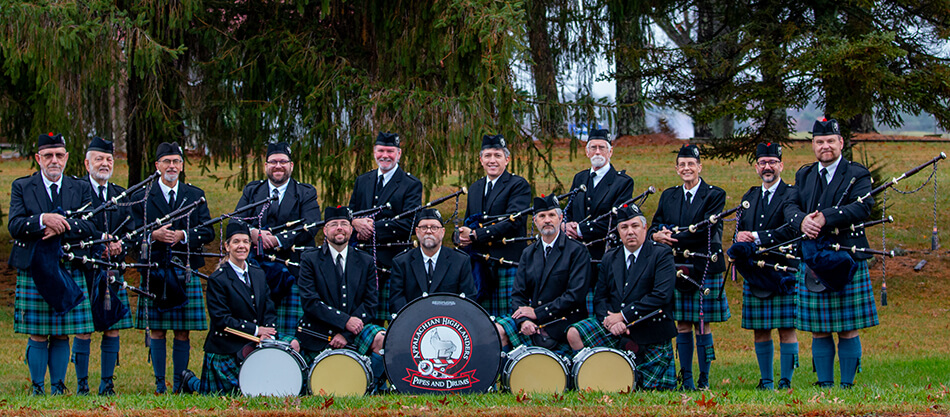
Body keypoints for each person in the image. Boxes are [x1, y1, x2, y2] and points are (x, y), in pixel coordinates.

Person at [783, 119, 877, 388]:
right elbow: (789, 205)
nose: (825, 146)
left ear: (841, 143)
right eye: (820, 142)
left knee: (848, 327)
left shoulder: (857, 174)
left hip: (847, 257)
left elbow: (862, 208)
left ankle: (847, 385)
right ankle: (824, 384)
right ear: (813, 145)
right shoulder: (805, 174)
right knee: (819, 328)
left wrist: (826, 217)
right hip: (814, 259)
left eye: (830, 141)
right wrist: (802, 220)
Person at [10, 132, 99, 395]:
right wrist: (42, 220)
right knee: (38, 332)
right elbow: (14, 225)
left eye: (59, 155)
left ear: (67, 158)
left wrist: (60, 225)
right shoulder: (22, 186)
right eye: (48, 155)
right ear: (38, 158)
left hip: (67, 266)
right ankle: (38, 387)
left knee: (61, 332)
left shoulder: (80, 188)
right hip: (34, 267)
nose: (54, 161)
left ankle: (58, 386)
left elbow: (91, 225)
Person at [131, 142, 214, 394]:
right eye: (166, 161)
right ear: (157, 166)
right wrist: (151, 235)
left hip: (185, 269)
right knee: (156, 331)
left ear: (182, 166)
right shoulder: (142, 197)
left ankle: (179, 384)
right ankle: (159, 384)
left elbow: (208, 230)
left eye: (176, 162)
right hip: (154, 269)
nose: (171, 166)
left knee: (182, 331)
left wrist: (183, 235)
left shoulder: (195, 195)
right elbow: (130, 234)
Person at [180, 220, 299, 395]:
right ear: (227, 247)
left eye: (245, 242)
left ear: (250, 246)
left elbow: (268, 308)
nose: (241, 246)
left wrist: (270, 332)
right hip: (227, 347)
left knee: (293, 343)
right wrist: (257, 330)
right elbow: (221, 320)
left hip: (255, 341)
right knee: (232, 393)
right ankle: (190, 382)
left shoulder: (258, 273)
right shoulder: (218, 279)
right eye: (236, 242)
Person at [567, 205, 677, 390]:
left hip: (650, 328)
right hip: (615, 329)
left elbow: (661, 296)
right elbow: (600, 298)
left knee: (649, 389)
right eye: (624, 227)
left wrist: (624, 316)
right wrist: (610, 321)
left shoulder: (661, 254)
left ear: (645, 227)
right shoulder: (610, 257)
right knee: (574, 333)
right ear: (618, 231)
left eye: (634, 226)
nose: (630, 232)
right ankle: (594, 378)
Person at [650, 144, 729, 390]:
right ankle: (687, 379)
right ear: (676, 169)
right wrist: (655, 236)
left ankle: (704, 379)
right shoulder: (668, 196)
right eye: (682, 164)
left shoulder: (715, 194)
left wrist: (669, 234)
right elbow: (655, 225)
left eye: (691, 164)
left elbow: (704, 230)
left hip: (704, 266)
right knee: (682, 324)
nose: (686, 168)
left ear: (699, 167)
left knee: (702, 325)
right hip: (676, 267)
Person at [296, 206, 387, 391]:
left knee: (382, 339)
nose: (339, 228)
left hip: (355, 330)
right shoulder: (309, 259)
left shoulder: (366, 260)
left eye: (344, 224)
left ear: (351, 230)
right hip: (318, 328)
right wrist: (345, 321)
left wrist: (346, 333)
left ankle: (371, 387)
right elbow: (310, 302)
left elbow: (370, 303)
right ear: (325, 230)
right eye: (334, 224)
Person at [236, 141, 321, 335]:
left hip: (293, 272)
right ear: (265, 165)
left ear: (291, 165)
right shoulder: (253, 191)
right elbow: (236, 222)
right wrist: (253, 233)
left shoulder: (305, 192)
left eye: (283, 161)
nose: (278, 166)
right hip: (256, 270)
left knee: (290, 335)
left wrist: (277, 240)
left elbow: (312, 225)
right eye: (273, 162)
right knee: (256, 332)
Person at [734, 142, 800, 390]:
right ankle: (767, 380)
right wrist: (739, 239)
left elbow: (793, 230)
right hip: (756, 272)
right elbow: (740, 230)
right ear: (756, 167)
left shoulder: (792, 194)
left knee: (786, 329)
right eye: (763, 163)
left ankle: (786, 381)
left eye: (772, 162)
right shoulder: (749, 197)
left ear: (781, 165)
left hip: (784, 271)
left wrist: (757, 237)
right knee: (760, 330)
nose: (767, 167)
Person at [494, 195, 590, 354]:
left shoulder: (577, 251)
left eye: (552, 215)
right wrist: (524, 321)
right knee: (499, 330)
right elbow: (518, 294)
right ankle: (505, 376)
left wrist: (537, 313)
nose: (547, 220)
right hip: (532, 322)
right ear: (535, 221)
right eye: (542, 216)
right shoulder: (528, 253)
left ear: (560, 218)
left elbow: (575, 296)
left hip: (564, 321)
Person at [79, 137, 136, 395]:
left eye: (109, 159)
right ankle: (82, 384)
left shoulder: (120, 194)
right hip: (85, 269)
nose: (104, 163)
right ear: (87, 163)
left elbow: (132, 231)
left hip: (112, 270)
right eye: (99, 159)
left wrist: (121, 246)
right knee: (83, 329)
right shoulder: (78, 191)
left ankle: (107, 383)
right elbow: (74, 228)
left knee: (112, 327)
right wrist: (96, 244)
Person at [349, 132, 423, 323]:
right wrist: (354, 222)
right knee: (362, 318)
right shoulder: (362, 181)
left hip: (393, 261)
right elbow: (351, 212)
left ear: (399, 154)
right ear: (374, 152)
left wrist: (372, 227)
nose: (385, 155)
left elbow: (409, 223)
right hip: (362, 261)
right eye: (381, 150)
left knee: (397, 321)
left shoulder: (411, 184)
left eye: (390, 151)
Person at [457, 134, 532, 318]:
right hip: (481, 269)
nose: (492, 160)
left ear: (507, 159)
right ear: (481, 160)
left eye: (497, 155)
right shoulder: (475, 187)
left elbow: (512, 222)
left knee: (510, 321)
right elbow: (468, 221)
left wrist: (475, 235)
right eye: (488, 155)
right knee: (482, 323)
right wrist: (459, 236)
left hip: (507, 264)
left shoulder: (518, 185)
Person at [563, 129, 635, 316]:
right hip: (577, 256)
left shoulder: (622, 182)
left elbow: (617, 220)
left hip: (605, 255)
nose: (597, 152)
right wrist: (565, 224)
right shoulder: (580, 178)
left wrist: (579, 229)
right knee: (576, 309)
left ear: (610, 152)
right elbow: (568, 209)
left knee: (603, 308)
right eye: (593, 147)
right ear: (587, 152)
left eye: (602, 148)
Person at [389, 208, 476, 314]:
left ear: (443, 232)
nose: (428, 231)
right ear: (417, 231)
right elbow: (396, 302)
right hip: (413, 325)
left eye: (434, 227)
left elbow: (467, 301)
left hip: (448, 324)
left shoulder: (460, 261)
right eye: (424, 227)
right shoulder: (401, 263)